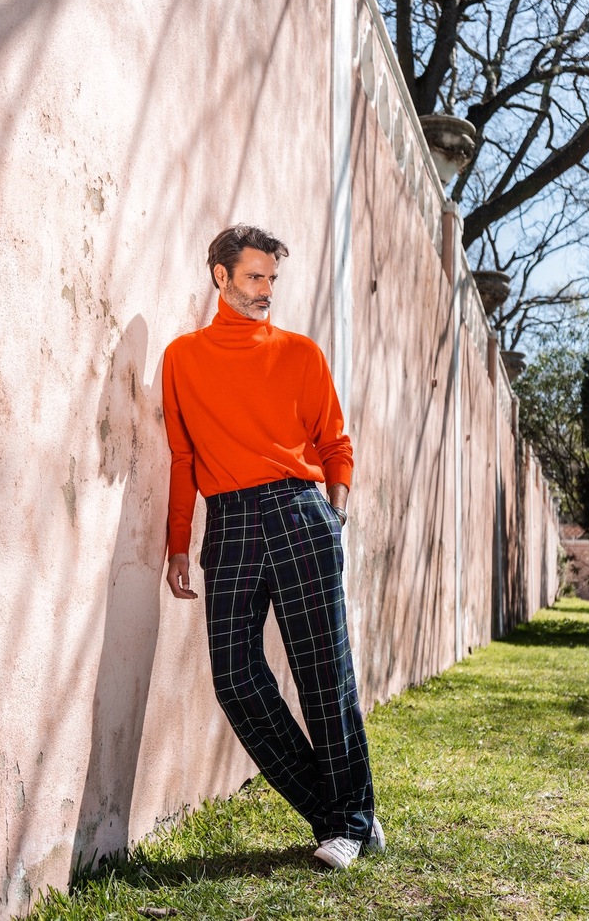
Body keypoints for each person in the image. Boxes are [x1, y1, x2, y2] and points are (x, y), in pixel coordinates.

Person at [162, 224, 384, 870]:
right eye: (254, 276)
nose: (265, 290)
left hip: (298, 514)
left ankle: (346, 824)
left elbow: (335, 442)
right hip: (228, 523)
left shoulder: (300, 353)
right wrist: (178, 545)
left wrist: (334, 514)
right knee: (235, 679)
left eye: (271, 278)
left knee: (323, 674)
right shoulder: (182, 357)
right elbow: (182, 457)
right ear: (221, 276)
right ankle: (341, 812)